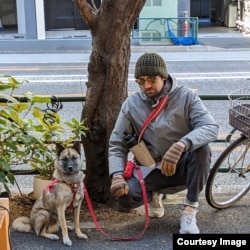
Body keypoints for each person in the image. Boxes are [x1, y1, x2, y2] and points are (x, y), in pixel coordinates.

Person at [108, 52, 219, 234]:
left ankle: (190, 208)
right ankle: (154, 195)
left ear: (164, 76)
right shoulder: (131, 104)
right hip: (150, 167)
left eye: (152, 79)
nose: (147, 85)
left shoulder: (186, 97)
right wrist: (117, 175)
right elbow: (116, 144)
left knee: (203, 150)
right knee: (125, 197)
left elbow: (210, 126)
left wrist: (182, 144)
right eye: (141, 81)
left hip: (181, 164)